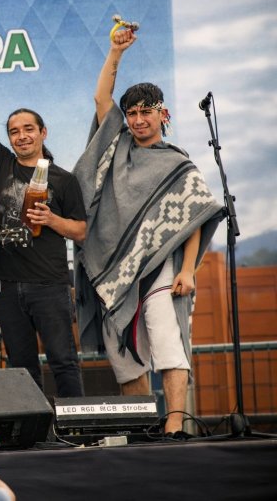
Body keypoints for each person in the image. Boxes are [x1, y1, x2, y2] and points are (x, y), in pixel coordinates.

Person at [73, 28, 223, 435]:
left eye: (146, 112)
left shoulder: (177, 163)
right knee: (124, 355)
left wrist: (188, 270)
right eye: (132, 113)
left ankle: (175, 425)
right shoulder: (116, 145)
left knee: (168, 343)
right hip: (112, 269)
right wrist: (115, 52)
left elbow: (193, 219)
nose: (138, 120)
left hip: (159, 269)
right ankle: (141, 425)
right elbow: (101, 99)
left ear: (162, 114)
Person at [0, 56, 86, 397]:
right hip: (7, 285)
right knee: (21, 367)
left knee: (64, 361)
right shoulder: (2, 165)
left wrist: (52, 220)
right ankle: (35, 427)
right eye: (14, 132)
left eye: (28, 129)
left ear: (43, 133)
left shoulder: (63, 179)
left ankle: (74, 425)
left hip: (50, 284)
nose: (21, 137)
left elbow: (81, 231)